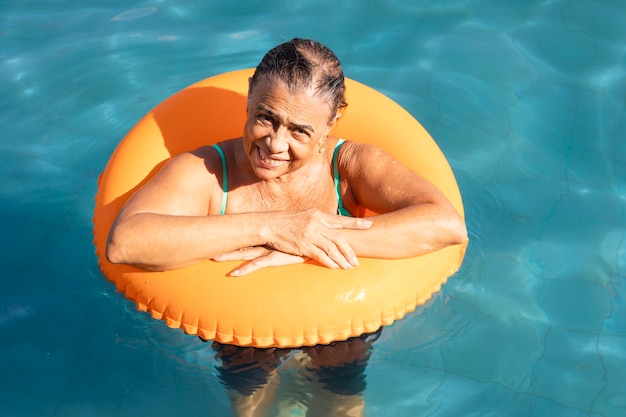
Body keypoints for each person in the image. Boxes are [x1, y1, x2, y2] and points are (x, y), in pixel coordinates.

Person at [106, 38, 467, 416]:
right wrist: (273, 227)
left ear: (331, 123)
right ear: (249, 96)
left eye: (299, 131)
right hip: (241, 338)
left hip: (342, 327)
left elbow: (445, 224)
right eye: (265, 117)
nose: (275, 144)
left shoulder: (350, 167)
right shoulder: (208, 173)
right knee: (252, 399)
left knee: (338, 396)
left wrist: (308, 241)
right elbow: (126, 242)